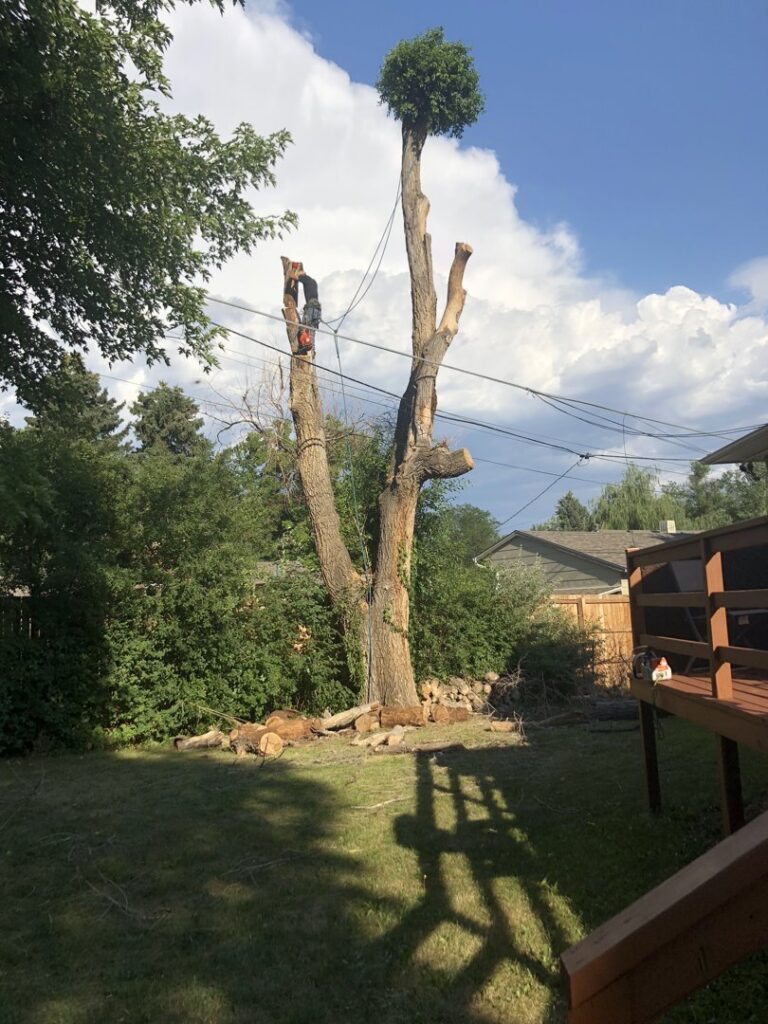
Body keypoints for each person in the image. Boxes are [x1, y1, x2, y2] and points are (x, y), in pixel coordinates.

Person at [286, 262, 321, 354]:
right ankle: (312, 349)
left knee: (303, 328)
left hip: (310, 308)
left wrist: (290, 272)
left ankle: (305, 347)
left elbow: (294, 276)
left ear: (302, 273)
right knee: (311, 330)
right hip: (317, 310)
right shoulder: (313, 281)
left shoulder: (305, 278)